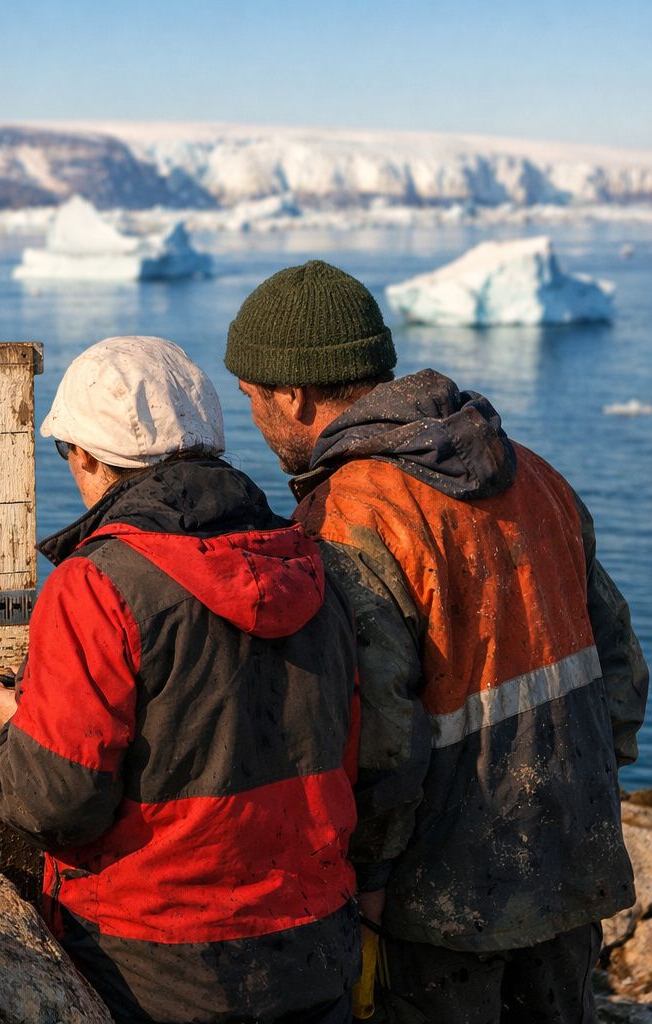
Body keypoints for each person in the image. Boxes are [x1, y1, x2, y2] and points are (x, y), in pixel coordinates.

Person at [224, 259, 649, 1021]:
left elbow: (380, 728)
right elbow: (619, 662)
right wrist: (588, 788)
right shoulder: (536, 476)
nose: (255, 419)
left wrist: (374, 875)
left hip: (444, 900)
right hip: (572, 858)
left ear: (294, 396)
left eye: (253, 399)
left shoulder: (351, 515)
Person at [0, 335, 362, 1023]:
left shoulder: (94, 585)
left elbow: (55, 804)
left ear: (88, 455)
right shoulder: (307, 561)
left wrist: (17, 729)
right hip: (315, 937)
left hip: (156, 961)